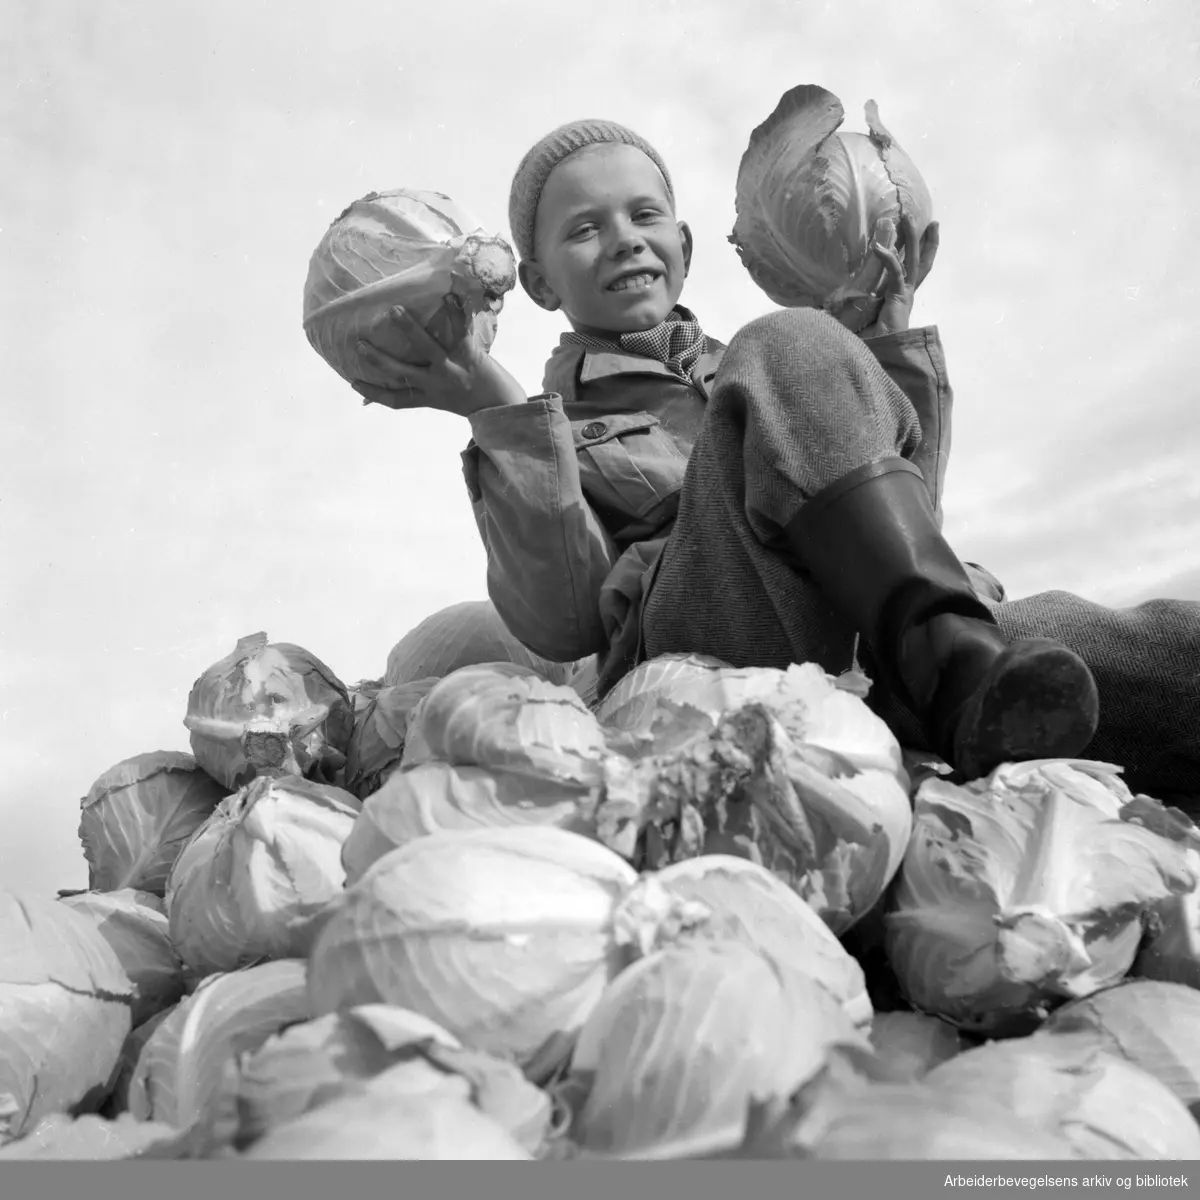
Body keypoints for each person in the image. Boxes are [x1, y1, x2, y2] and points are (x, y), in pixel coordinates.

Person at [352, 119, 1200, 797]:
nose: (623, 240)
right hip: (702, 649)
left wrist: (890, 334)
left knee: (1141, 654)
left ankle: (949, 671)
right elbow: (564, 621)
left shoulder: (753, 363)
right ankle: (948, 663)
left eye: (644, 216)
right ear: (539, 283)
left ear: (682, 241)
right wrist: (493, 409)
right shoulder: (549, 418)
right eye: (584, 229)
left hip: (866, 636)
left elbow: (917, 521)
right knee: (796, 339)